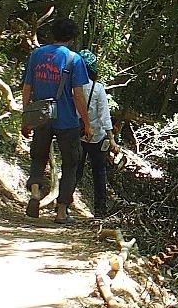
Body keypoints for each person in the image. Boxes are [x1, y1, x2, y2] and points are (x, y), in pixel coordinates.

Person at [21, 18, 92, 225]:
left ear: (53, 34)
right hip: (67, 120)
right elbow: (78, 95)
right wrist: (87, 123)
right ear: (72, 38)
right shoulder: (74, 59)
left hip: (41, 116)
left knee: (38, 157)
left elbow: (27, 88)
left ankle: (35, 193)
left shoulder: (37, 54)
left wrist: (27, 116)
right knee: (70, 164)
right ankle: (61, 212)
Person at [76, 49, 119, 218]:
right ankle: (100, 212)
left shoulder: (73, 86)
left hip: (77, 134)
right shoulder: (98, 88)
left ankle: (63, 205)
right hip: (97, 138)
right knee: (99, 173)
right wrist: (112, 140)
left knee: (74, 170)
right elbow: (104, 116)